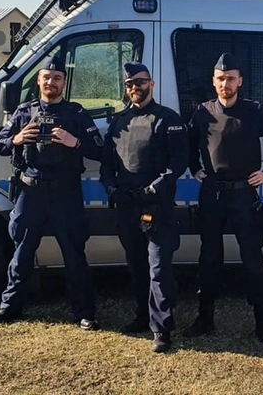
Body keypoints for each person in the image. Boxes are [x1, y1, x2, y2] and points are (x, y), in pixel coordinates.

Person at [0, 53, 104, 330]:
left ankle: (84, 313)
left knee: (74, 254)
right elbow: (1, 144)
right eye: (46, 78)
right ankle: (9, 308)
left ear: (64, 83)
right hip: (31, 193)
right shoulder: (24, 112)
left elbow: (100, 150)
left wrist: (74, 142)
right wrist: (17, 139)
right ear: (39, 81)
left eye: (56, 78)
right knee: (22, 253)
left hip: (66, 194)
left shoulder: (76, 114)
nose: (51, 82)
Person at [182, 52, 263, 344]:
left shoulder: (256, 111)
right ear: (213, 82)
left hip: (244, 195)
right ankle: (205, 318)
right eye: (220, 79)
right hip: (212, 194)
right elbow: (187, 147)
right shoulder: (202, 112)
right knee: (209, 258)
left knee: (252, 259)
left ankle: (262, 322)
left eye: (230, 78)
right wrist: (195, 170)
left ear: (240, 81)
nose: (225, 83)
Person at [99, 63, 189, 353]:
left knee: (158, 269)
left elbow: (178, 163)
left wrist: (155, 187)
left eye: (140, 82)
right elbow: (106, 165)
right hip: (126, 205)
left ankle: (162, 329)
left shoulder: (167, 119)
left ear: (151, 83)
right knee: (136, 266)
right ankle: (142, 315)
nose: (134, 87)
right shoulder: (118, 121)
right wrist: (111, 188)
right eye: (129, 84)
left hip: (156, 206)